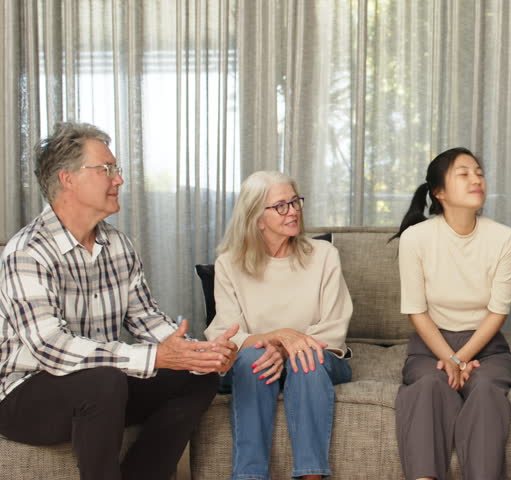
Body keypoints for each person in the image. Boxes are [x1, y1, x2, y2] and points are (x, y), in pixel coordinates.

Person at [0, 122, 239, 480]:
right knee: (103, 381)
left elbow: (147, 319)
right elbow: (51, 347)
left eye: (117, 169)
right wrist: (153, 357)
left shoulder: (118, 245)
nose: (119, 180)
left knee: (196, 378)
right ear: (67, 179)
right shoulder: (27, 251)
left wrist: (198, 354)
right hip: (26, 395)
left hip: (101, 385)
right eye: (107, 169)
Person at [205, 170, 353, 480]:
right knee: (253, 358)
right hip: (257, 360)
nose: (293, 211)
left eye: (295, 202)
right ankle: (249, 475)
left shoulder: (324, 255)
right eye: (281, 206)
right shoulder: (229, 264)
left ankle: (311, 476)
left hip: (318, 357)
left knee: (306, 359)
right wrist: (277, 338)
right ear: (257, 218)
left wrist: (286, 348)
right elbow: (228, 334)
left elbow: (334, 326)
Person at [392, 147, 511, 480]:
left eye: (479, 173)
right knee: (428, 387)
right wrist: (448, 358)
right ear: (439, 192)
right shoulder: (415, 238)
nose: (476, 179)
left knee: (486, 388)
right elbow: (416, 311)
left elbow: (498, 312)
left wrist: (460, 359)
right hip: (430, 346)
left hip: (487, 348)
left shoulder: (503, 238)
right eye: (463, 174)